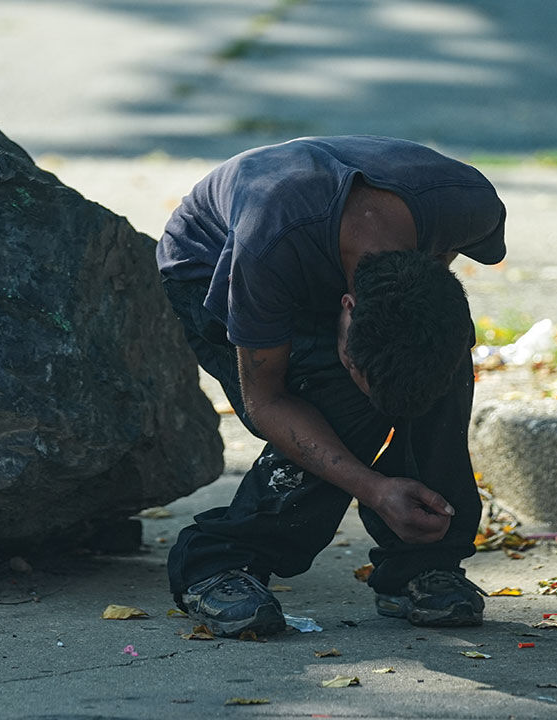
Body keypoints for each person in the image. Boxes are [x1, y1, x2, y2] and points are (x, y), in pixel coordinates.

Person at [156, 135, 506, 637]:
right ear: (345, 309)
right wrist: (375, 488)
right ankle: (217, 562)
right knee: (337, 403)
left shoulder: (470, 206)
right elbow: (267, 400)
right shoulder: (265, 253)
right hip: (211, 261)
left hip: (330, 240)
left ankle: (424, 562)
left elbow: (435, 286)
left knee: (436, 365)